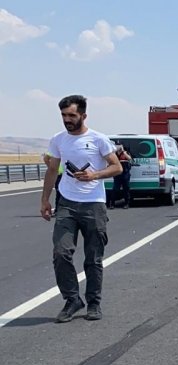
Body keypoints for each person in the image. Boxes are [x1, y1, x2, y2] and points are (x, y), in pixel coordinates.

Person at [40, 94, 122, 323]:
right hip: (66, 203)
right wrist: (45, 199)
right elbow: (51, 170)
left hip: (94, 204)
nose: (67, 119)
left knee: (93, 258)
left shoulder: (98, 139)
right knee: (61, 252)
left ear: (83, 115)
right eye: (64, 115)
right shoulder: (58, 140)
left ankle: (94, 302)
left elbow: (116, 168)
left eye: (71, 115)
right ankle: (72, 300)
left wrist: (94, 174)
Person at [110, 144, 132, 209]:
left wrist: (123, 152)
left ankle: (126, 203)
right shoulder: (114, 153)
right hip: (117, 174)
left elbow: (129, 158)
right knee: (115, 189)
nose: (118, 147)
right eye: (117, 145)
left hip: (125, 173)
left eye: (119, 145)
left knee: (126, 189)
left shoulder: (125, 152)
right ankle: (112, 204)